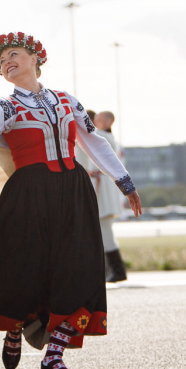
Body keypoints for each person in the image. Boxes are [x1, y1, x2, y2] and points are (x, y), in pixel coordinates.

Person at [0, 32, 143, 369]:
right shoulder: (6, 105)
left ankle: (55, 356)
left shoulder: (66, 100)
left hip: (72, 191)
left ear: (35, 58)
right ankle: (15, 326)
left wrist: (124, 182)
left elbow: (95, 141)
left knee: (77, 268)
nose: (7, 63)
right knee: (23, 266)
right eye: (2, 62)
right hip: (29, 194)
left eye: (14, 54)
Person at [75, 110, 128, 282]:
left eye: (98, 119)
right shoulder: (102, 137)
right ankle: (109, 270)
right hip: (102, 187)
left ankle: (117, 270)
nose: (95, 122)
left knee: (104, 231)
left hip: (103, 188)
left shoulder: (104, 138)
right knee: (101, 231)